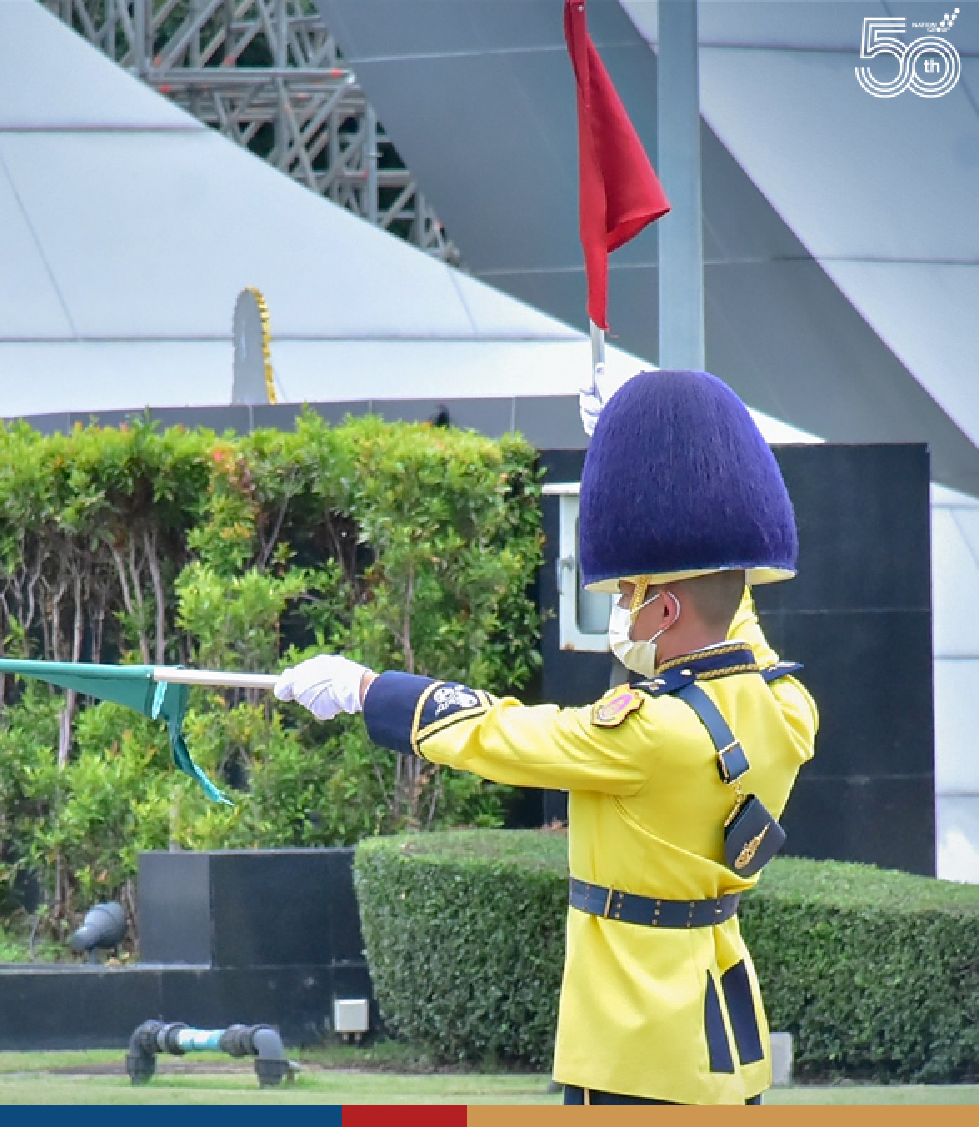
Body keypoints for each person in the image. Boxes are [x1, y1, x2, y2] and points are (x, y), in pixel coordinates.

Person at [275, 370, 817, 1105]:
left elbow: (497, 734)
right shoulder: (786, 706)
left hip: (636, 1044)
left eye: (630, 594)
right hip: (724, 1034)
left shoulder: (650, 732)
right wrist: (653, 483)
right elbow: (730, 606)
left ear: (663, 609)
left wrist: (366, 689)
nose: (621, 607)